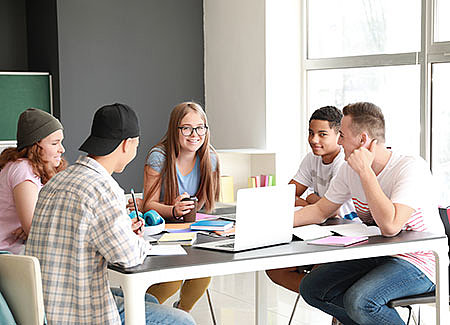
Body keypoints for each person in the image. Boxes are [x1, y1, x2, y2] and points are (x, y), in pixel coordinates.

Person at [25, 103, 195, 325]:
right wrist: (137, 238)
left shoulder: (57, 180)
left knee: (149, 298)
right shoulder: (104, 188)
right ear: (127, 144)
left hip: (43, 307)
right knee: (183, 321)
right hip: (79, 313)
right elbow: (128, 257)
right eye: (137, 144)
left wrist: (124, 231)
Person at [296, 102, 444, 325]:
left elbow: (391, 226)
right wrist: (264, 226)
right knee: (313, 288)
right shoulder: (348, 169)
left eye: (342, 136)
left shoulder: (410, 168)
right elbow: (319, 211)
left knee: (361, 301)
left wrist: (366, 173)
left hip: (420, 260)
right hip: (379, 254)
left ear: (363, 140)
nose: (338, 142)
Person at [266, 106, 354, 293]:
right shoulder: (311, 158)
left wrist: (309, 198)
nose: (314, 140)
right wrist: (312, 200)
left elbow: (332, 212)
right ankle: (325, 296)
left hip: (343, 235)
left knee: (318, 275)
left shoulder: (343, 163)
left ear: (339, 136)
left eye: (322, 134)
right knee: (274, 269)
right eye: (311, 133)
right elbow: (287, 195)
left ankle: (328, 297)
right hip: (317, 230)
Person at [142, 101, 220, 312]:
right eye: (186, 128)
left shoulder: (210, 158)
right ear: (175, 129)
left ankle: (181, 314)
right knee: (172, 280)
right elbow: (148, 204)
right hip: (163, 230)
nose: (194, 134)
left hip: (192, 230)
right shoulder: (159, 157)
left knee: (202, 275)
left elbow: (205, 204)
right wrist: (173, 210)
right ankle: (139, 314)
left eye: (200, 127)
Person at [0, 108, 66, 254]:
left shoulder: (37, 169)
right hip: (6, 255)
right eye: (55, 143)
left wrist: (30, 229)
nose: (62, 149)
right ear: (36, 146)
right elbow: (35, 231)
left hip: (17, 252)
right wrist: (31, 229)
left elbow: (35, 226)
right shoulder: (23, 169)